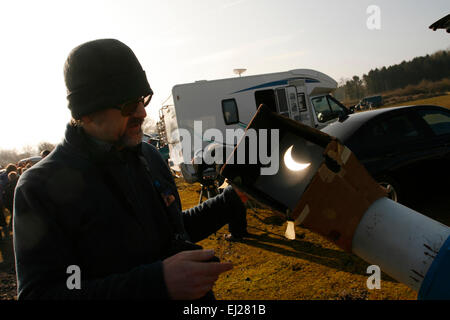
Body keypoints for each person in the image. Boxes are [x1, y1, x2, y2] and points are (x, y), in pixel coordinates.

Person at [13, 39, 248, 300]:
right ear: (87, 112)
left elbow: (170, 232)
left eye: (143, 99)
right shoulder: (40, 188)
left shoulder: (146, 156)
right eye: (128, 105)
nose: (142, 112)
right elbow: (44, 293)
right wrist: (156, 283)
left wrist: (230, 200)